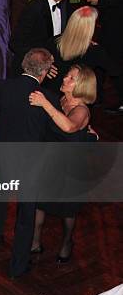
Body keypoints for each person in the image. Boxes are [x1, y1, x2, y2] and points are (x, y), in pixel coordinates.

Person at [0, 48, 58, 279]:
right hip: (31, 161)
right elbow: (53, 132)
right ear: (44, 72)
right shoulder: (48, 100)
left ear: (24, 64)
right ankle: (18, 265)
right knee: (26, 213)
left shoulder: (2, 87)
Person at [29, 64, 97, 264]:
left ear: (81, 85)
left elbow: (69, 126)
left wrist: (45, 104)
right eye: (67, 75)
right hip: (50, 161)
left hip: (70, 168)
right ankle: (34, 242)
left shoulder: (82, 109)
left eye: (71, 78)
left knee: (67, 210)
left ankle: (67, 242)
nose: (65, 78)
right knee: (39, 203)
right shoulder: (61, 101)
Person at [42, 6, 121, 97]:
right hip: (75, 97)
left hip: (48, 93)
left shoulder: (53, 41)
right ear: (90, 28)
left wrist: (45, 66)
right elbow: (115, 70)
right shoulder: (95, 51)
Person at [10, 0, 73, 76]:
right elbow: (16, 44)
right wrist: (43, 63)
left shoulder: (64, 0)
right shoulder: (33, 9)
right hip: (33, 69)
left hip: (54, 64)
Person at [90, 0, 123, 114]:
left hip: (118, 28)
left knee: (112, 63)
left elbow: (120, 1)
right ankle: (96, 96)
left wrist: (98, 0)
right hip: (110, 24)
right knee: (101, 58)